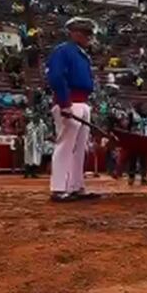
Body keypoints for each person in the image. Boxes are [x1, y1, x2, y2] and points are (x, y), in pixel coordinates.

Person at [46, 17, 98, 202]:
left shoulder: (82, 54)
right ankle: (59, 188)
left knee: (79, 148)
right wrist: (64, 103)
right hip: (70, 102)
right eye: (85, 34)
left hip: (82, 102)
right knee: (65, 144)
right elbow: (57, 77)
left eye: (89, 34)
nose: (88, 38)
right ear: (74, 33)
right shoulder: (63, 51)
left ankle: (76, 186)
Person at [127, 103, 147, 186]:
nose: (142, 109)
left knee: (143, 159)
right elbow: (128, 127)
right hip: (134, 139)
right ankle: (131, 177)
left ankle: (144, 177)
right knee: (133, 158)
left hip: (144, 139)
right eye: (141, 107)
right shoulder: (132, 115)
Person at [23, 112, 47, 178]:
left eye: (37, 118)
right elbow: (26, 134)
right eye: (34, 118)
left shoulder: (42, 125)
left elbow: (45, 133)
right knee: (28, 159)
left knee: (36, 159)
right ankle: (27, 173)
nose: (35, 119)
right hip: (29, 145)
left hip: (38, 145)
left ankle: (33, 173)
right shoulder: (29, 126)